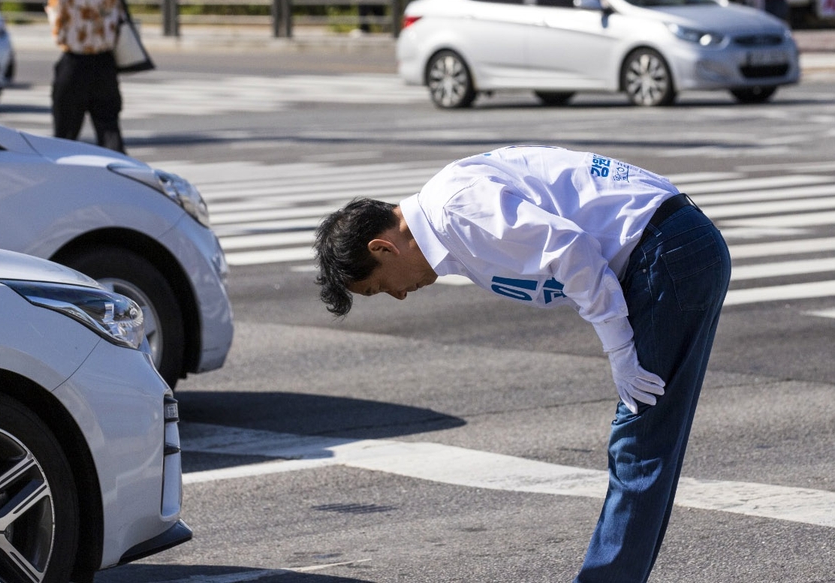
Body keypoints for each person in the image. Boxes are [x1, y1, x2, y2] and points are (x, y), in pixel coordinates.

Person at [313, 145, 731, 583]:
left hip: (667, 252)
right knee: (647, 441)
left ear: (383, 248)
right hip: (670, 250)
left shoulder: (457, 209)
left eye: (380, 288)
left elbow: (571, 250)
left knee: (640, 443)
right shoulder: (450, 217)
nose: (398, 296)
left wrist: (620, 350)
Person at [36, 0, 126, 153]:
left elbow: (59, 36)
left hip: (74, 66)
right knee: (110, 132)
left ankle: (64, 186)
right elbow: (119, 19)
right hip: (105, 64)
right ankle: (122, 182)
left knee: (65, 138)